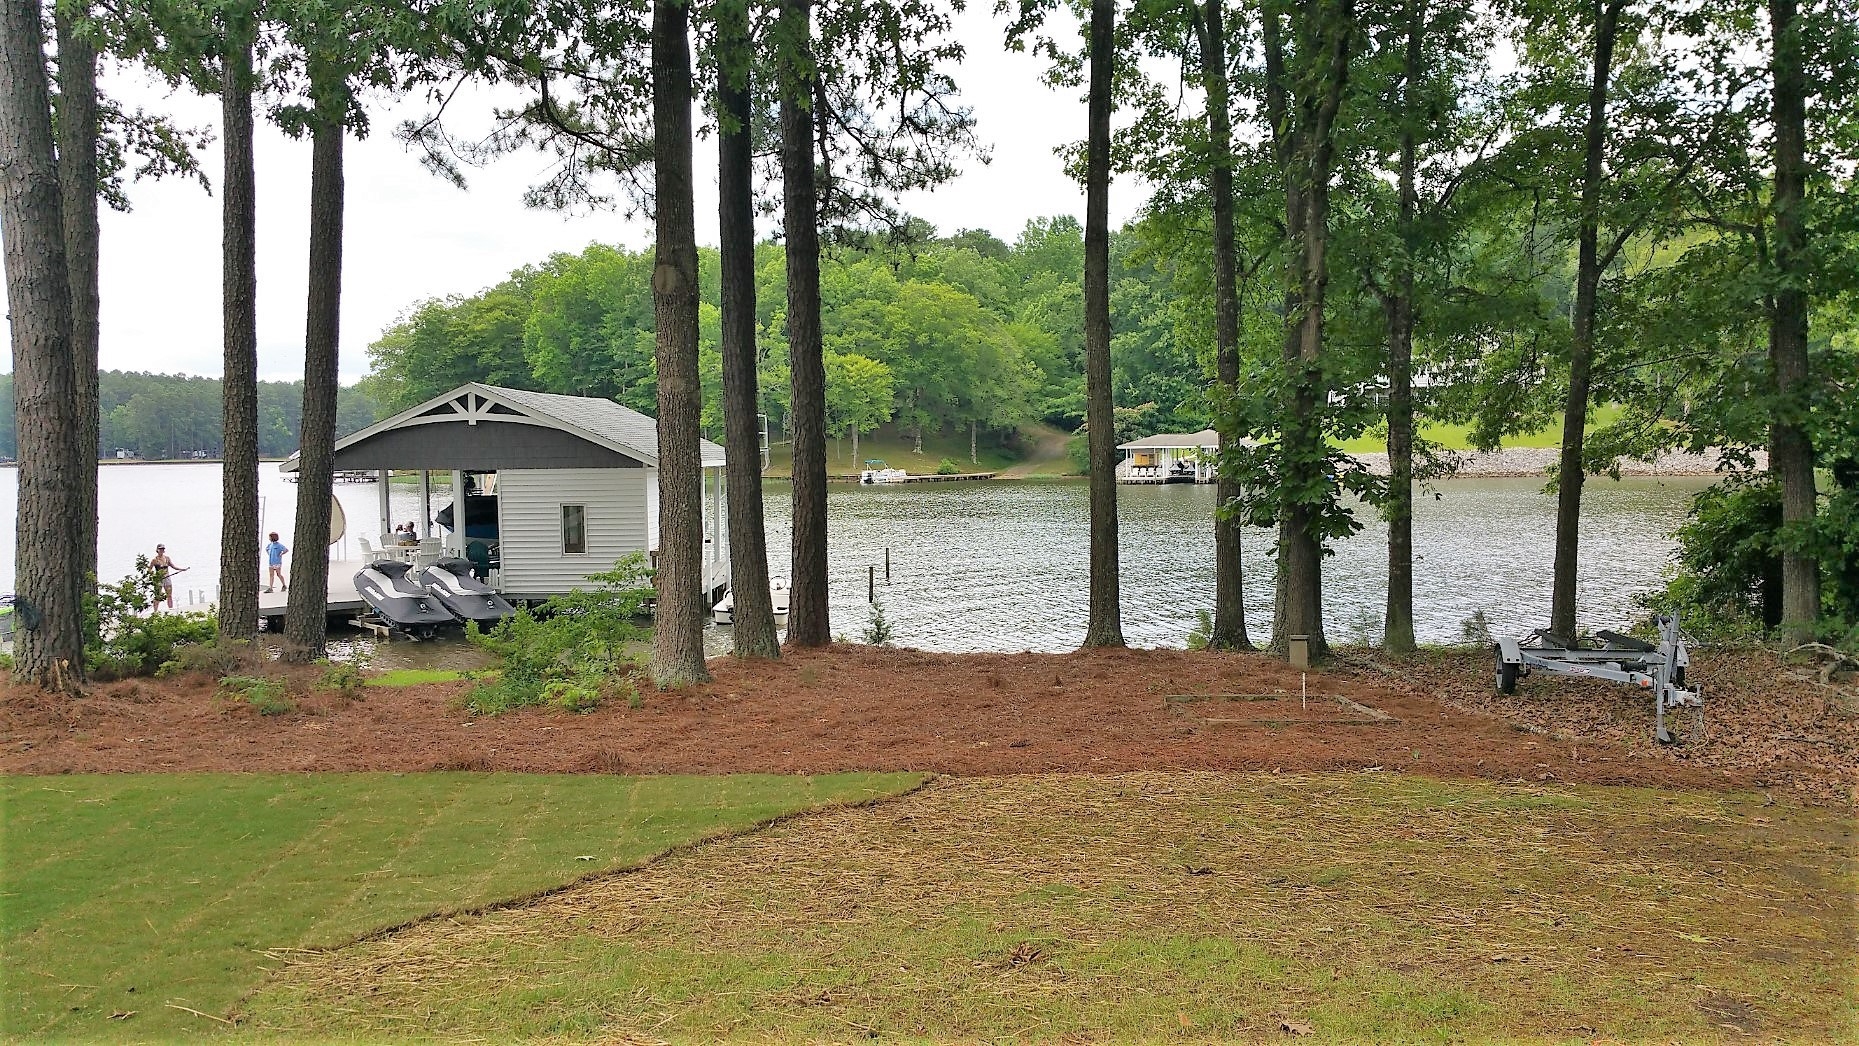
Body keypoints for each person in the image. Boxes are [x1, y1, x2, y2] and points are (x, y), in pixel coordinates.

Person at [150, 544, 185, 610]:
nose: (161, 550)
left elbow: (173, 566)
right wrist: (153, 576)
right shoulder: (154, 560)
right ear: (157, 550)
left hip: (167, 577)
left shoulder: (167, 558)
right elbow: (149, 569)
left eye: (163, 549)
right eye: (160, 549)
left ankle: (171, 609)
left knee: (169, 594)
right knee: (158, 595)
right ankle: (155, 611)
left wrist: (181, 569)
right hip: (159, 579)